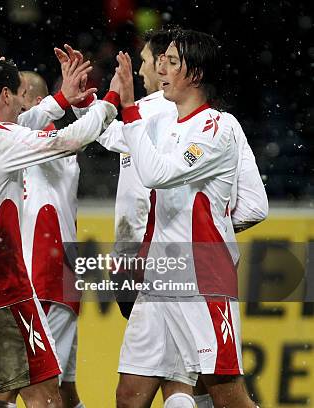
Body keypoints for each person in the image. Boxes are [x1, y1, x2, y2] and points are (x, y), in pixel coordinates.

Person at [0, 58, 119, 407]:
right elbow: (68, 139)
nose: (23, 106)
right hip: (0, 295)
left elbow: (24, 124)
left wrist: (62, 100)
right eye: (19, 98)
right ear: (6, 94)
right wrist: (110, 101)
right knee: (44, 396)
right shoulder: (0, 139)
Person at [105, 30, 258, 407]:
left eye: (173, 62)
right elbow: (105, 136)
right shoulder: (162, 124)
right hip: (158, 273)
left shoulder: (217, 128)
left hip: (201, 276)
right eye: (162, 61)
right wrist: (83, 103)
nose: (162, 69)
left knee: (227, 395)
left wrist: (128, 109)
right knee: (129, 396)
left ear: (197, 73)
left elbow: (158, 174)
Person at [0, 70, 87, 408]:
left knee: (9, 389)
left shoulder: (52, 143)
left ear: (30, 100)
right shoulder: (14, 143)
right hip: (38, 277)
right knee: (62, 390)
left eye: (13, 94)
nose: (8, 102)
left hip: (45, 274)